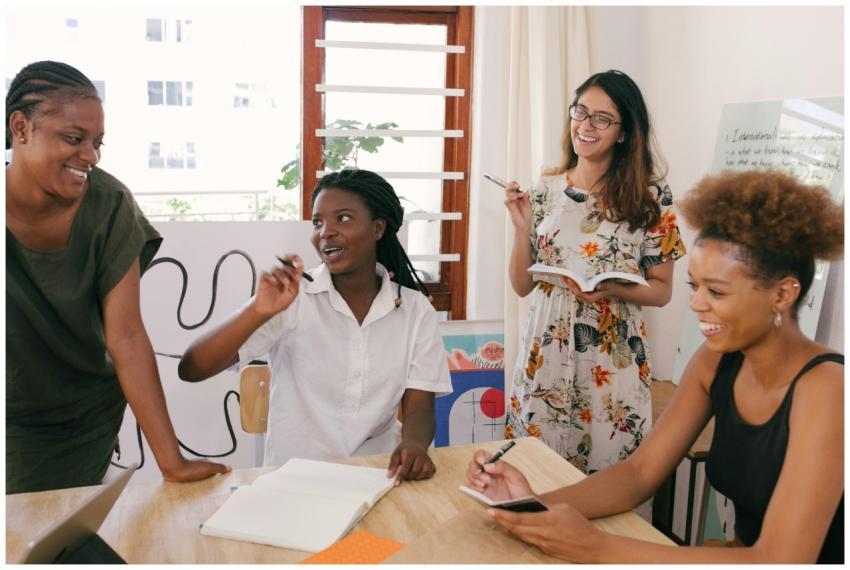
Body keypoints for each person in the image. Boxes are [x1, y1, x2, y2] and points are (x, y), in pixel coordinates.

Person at [466, 169, 844, 563]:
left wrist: (597, 547)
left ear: (782, 294)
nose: (696, 304)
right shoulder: (715, 361)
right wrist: (531, 504)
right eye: (695, 286)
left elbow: (782, 559)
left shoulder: (827, 388)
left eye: (716, 292)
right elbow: (639, 474)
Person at [6, 60, 229, 494]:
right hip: (11, 414)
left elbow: (125, 335)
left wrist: (172, 463)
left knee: (58, 530)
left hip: (84, 417)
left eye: (97, 143)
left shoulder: (110, 206)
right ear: (21, 128)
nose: (90, 156)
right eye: (74, 139)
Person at [179, 169, 452, 482]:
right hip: (294, 479)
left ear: (378, 228)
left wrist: (414, 444)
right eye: (317, 222)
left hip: (379, 475)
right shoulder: (293, 298)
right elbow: (193, 368)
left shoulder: (415, 309)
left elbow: (419, 407)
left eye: (343, 218)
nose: (326, 232)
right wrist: (257, 311)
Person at [503, 69, 685, 473]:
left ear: (624, 133)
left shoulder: (652, 196)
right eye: (581, 111)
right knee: (535, 476)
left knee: (609, 475)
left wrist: (613, 289)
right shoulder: (545, 188)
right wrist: (520, 228)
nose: (585, 125)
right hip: (546, 352)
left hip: (612, 358)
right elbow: (521, 285)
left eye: (602, 118)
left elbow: (662, 291)